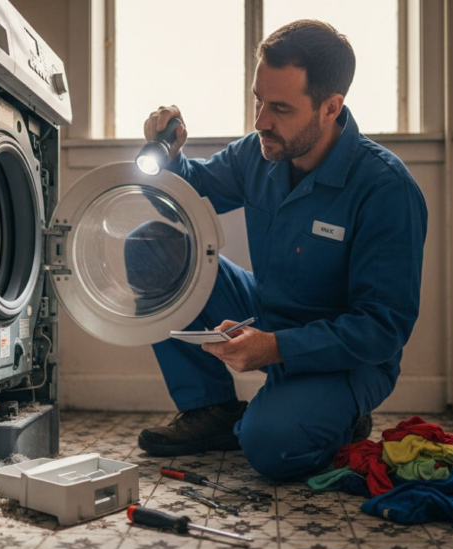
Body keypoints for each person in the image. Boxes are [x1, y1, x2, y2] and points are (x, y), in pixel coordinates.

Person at [134, 19, 428, 481]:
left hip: (348, 357)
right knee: (151, 245)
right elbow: (184, 195)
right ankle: (211, 411)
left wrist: (277, 348)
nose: (260, 122)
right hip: (267, 310)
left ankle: (338, 416)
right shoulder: (259, 152)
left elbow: (383, 327)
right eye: (257, 100)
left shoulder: (385, 189)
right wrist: (168, 153)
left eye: (280, 108)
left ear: (331, 107)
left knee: (271, 447)